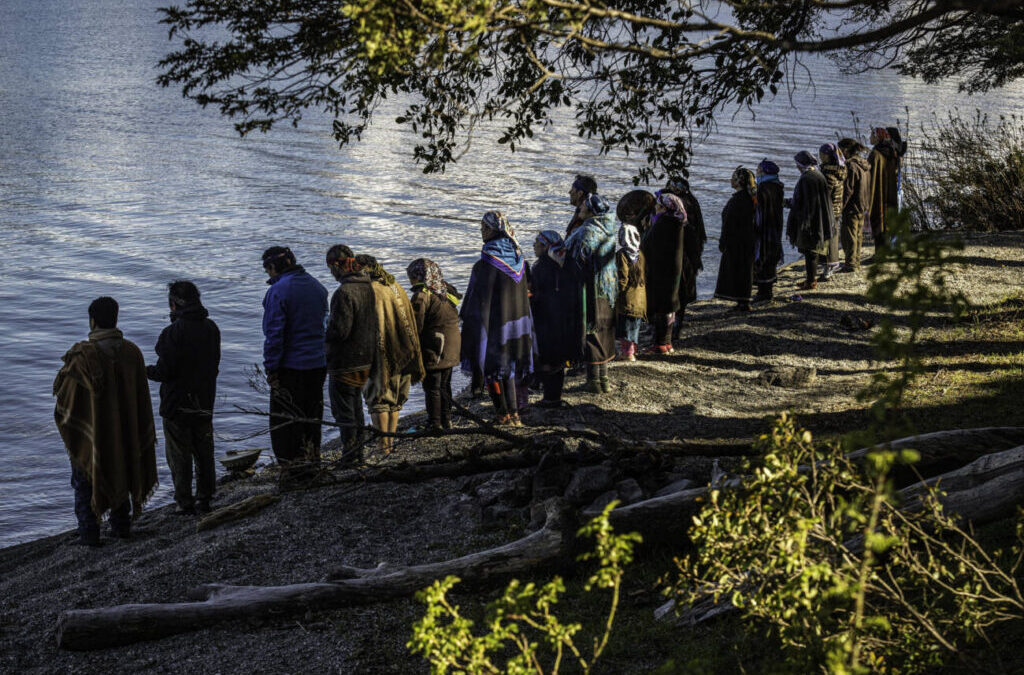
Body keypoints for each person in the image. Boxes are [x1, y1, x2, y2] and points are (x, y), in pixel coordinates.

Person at [54, 297, 158, 546]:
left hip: (95, 435)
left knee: (84, 479)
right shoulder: (132, 352)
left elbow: (65, 400)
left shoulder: (81, 356)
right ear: (115, 318)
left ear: (92, 320)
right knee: (123, 468)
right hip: (125, 433)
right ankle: (122, 527)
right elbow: (140, 400)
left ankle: (89, 533)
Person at [146, 280, 220, 515]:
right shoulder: (211, 328)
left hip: (176, 403)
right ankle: (206, 496)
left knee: (179, 455)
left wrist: (142, 370)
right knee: (204, 451)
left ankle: (184, 500)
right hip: (205, 400)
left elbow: (164, 372)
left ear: (173, 305)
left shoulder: (172, 333)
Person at [261, 246, 329, 482]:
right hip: (318, 364)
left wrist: (271, 368)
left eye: (267, 270)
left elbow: (275, 335)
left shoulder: (278, 291)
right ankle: (312, 460)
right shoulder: (317, 286)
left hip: (291, 366)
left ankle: (291, 469)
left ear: (272, 268)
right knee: (312, 415)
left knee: (284, 421)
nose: (267, 276)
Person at [461, 211, 534, 425]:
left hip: (494, 326)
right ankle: (515, 414)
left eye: (485, 227)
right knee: (509, 370)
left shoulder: (485, 265)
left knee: (491, 370)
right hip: (518, 327)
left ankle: (502, 414)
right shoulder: (519, 260)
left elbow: (476, 300)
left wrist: (470, 325)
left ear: (494, 230)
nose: (481, 231)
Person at [357, 254, 425, 452]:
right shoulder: (394, 285)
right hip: (404, 350)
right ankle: (391, 442)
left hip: (382, 354)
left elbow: (372, 325)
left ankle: (383, 445)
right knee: (395, 400)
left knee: (379, 400)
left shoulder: (372, 290)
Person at [324, 245, 377, 463]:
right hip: (364, 359)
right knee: (356, 409)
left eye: (330, 267)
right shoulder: (367, 287)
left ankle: (350, 454)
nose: (331, 273)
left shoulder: (343, 292)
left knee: (344, 412)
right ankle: (359, 453)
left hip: (345, 362)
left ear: (337, 265)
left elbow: (340, 331)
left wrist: (325, 331)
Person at [565, 193, 619, 391]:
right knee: (605, 331)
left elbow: (578, 260)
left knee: (591, 332)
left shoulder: (588, 230)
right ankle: (603, 379)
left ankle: (593, 382)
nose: (579, 209)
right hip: (608, 288)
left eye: (583, 207)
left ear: (590, 211)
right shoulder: (609, 227)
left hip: (591, 289)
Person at [407, 258, 461, 429]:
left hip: (435, 346)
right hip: (452, 346)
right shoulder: (446, 291)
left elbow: (415, 325)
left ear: (419, 276)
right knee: (445, 384)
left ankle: (434, 423)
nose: (410, 280)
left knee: (432, 387)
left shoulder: (422, 296)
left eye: (412, 276)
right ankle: (447, 419)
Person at [530, 231, 581, 406]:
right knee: (559, 359)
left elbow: (536, 295)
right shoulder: (569, 264)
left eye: (537, 242)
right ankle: (554, 396)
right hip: (566, 320)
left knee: (547, 358)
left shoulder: (541, 267)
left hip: (546, 321)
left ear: (545, 247)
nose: (534, 245)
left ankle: (549, 398)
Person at [661, 177, 707, 336]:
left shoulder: (678, 210)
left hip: (680, 258)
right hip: (689, 257)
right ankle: (675, 327)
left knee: (674, 293)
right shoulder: (691, 203)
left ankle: (671, 330)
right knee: (681, 294)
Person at [641, 191, 686, 352]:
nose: (656, 209)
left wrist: (646, 229)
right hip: (672, 268)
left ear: (665, 208)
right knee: (669, 304)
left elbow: (648, 245)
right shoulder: (677, 222)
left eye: (659, 206)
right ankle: (667, 342)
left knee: (661, 304)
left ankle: (660, 343)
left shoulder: (663, 223)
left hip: (661, 269)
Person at [786, 151, 836, 291]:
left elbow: (800, 202)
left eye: (797, 163)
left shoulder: (806, 178)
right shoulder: (818, 174)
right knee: (812, 251)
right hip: (820, 217)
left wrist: (785, 203)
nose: (796, 166)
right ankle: (810, 279)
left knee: (810, 252)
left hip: (811, 220)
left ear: (801, 164)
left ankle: (811, 282)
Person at [714, 167, 758, 311]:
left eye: (733, 177)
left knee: (738, 271)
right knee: (744, 271)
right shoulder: (749, 198)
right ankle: (743, 300)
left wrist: (723, 242)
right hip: (747, 241)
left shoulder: (738, 201)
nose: (731, 179)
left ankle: (742, 302)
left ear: (739, 181)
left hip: (737, 243)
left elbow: (728, 224)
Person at [753, 159, 785, 303]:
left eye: (758, 170)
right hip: (775, 228)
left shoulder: (763, 189)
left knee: (762, 257)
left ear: (764, 172)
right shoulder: (777, 186)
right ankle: (767, 291)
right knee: (771, 257)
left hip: (765, 229)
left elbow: (759, 212)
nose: (756, 173)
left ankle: (763, 292)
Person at [837, 138, 872, 271]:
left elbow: (847, 189)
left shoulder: (850, 166)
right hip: (863, 203)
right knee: (858, 234)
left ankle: (850, 264)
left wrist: (841, 206)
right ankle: (855, 261)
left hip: (852, 205)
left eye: (839, 150)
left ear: (845, 150)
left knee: (849, 235)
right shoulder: (864, 164)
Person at [615, 221, 646, 361]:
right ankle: (633, 350)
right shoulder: (640, 254)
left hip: (627, 299)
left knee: (625, 328)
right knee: (634, 327)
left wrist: (615, 293)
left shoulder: (622, 255)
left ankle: (628, 354)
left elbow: (622, 278)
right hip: (640, 298)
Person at [868, 127, 901, 251]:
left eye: (872, 135)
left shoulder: (875, 154)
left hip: (878, 193)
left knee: (877, 221)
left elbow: (870, 176)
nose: (870, 137)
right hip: (890, 193)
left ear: (878, 137)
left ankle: (880, 253)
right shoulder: (893, 152)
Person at [818, 143, 847, 280]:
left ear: (826, 156)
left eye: (821, 154)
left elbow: (825, 194)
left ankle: (829, 266)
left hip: (829, 210)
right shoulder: (838, 170)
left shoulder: (829, 175)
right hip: (836, 209)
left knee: (828, 239)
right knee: (833, 237)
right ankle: (831, 264)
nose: (819, 156)